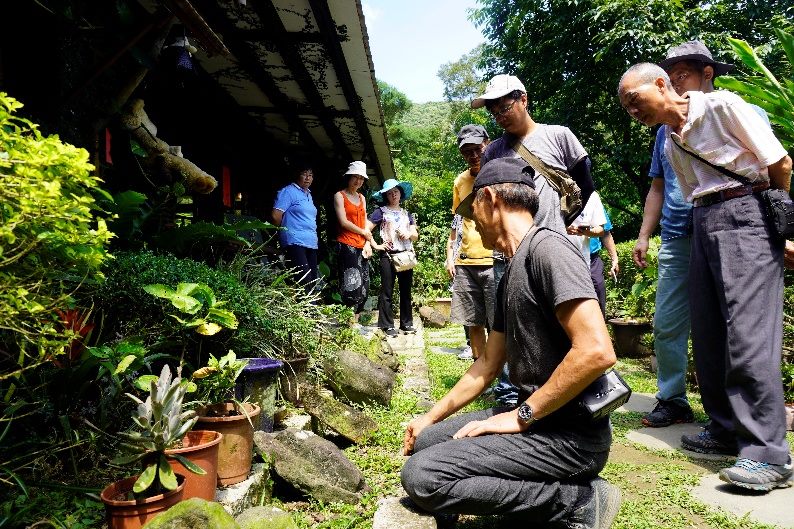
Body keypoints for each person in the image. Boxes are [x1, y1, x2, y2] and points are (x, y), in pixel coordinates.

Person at [401, 157, 621, 527]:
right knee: (428, 442)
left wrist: (520, 417)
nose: (472, 222)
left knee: (422, 477)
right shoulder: (511, 270)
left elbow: (597, 352)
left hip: (570, 438)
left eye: (473, 211)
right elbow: (487, 365)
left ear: (489, 198)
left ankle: (577, 500)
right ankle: (484, 487)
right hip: (538, 422)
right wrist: (429, 417)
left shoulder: (549, 250)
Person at [618, 63, 793, 491]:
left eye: (634, 101)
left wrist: (784, 228)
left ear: (661, 85)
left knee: (748, 336)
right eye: (625, 107)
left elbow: (780, 163)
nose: (631, 112)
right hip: (704, 222)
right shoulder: (671, 140)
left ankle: (768, 454)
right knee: (709, 333)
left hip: (747, 215)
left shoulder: (722, 106)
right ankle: (723, 430)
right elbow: (692, 189)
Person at [633, 41, 770, 429]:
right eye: (669, 78)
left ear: (707, 73)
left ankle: (739, 420)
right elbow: (658, 186)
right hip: (680, 233)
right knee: (669, 321)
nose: (674, 85)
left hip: (735, 229)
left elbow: (771, 167)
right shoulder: (665, 131)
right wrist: (644, 234)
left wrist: (776, 226)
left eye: (683, 76)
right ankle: (673, 398)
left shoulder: (738, 109)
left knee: (736, 325)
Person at [475, 74, 595, 234]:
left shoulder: (559, 136)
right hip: (510, 250)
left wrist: (561, 222)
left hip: (553, 243)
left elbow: (585, 185)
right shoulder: (492, 152)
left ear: (523, 100)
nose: (500, 117)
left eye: (505, 109)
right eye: (495, 113)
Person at [445, 125, 494, 361]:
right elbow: (458, 223)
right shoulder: (460, 181)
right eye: (467, 152)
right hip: (466, 261)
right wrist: (451, 258)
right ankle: (480, 371)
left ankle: (504, 379)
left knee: (498, 324)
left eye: (477, 149)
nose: (473, 155)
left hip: (495, 259)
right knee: (473, 322)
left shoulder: (500, 172)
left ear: (488, 143)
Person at [368, 178, 419, 337]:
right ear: (385, 196)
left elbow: (415, 235)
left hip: (405, 256)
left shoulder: (407, 214)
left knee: (405, 291)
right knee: (387, 291)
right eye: (390, 193)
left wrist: (409, 234)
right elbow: (365, 229)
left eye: (396, 192)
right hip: (388, 256)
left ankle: (407, 324)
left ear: (400, 193)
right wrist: (376, 245)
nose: (393, 195)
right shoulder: (380, 212)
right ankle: (387, 325)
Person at [272, 163, 319, 293]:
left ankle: (309, 310)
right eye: (304, 174)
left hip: (310, 242)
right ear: (297, 175)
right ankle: (309, 311)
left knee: (313, 279)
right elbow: (276, 216)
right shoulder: (288, 191)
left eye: (310, 175)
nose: (308, 178)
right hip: (294, 241)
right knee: (303, 278)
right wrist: (285, 232)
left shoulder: (309, 194)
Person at [333, 161, 374, 313]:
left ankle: (357, 319)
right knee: (351, 283)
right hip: (346, 244)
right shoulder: (339, 196)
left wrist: (368, 243)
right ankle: (348, 320)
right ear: (349, 177)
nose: (358, 181)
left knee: (364, 283)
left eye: (361, 178)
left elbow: (364, 223)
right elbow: (343, 222)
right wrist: (363, 233)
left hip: (361, 245)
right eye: (355, 177)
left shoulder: (362, 198)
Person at [567, 192, 616, 316]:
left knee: (599, 293)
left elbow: (605, 232)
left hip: (592, 259)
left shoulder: (592, 196)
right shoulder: (556, 194)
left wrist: (614, 258)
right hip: (567, 258)